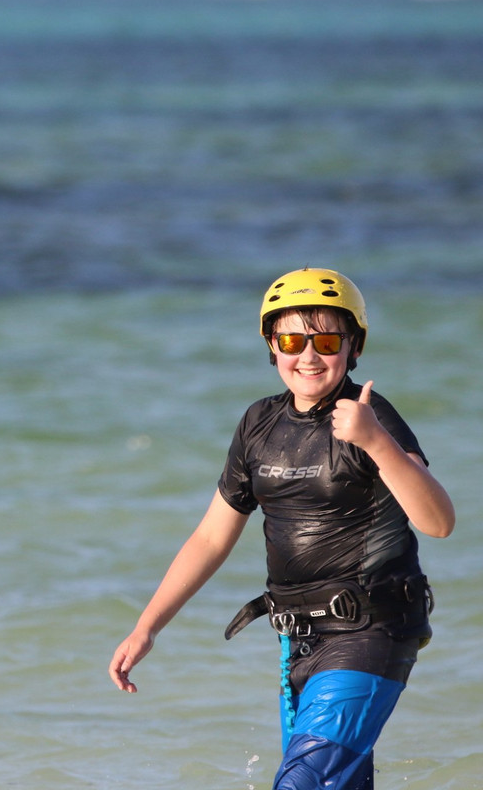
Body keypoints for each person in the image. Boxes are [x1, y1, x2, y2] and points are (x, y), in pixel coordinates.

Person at [107, 268, 454, 789]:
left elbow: (439, 521)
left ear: (353, 347)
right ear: (272, 345)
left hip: (372, 630)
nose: (308, 356)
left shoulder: (370, 416)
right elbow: (211, 537)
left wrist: (376, 442)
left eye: (327, 340)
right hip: (298, 643)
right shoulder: (258, 424)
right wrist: (147, 626)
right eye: (292, 340)